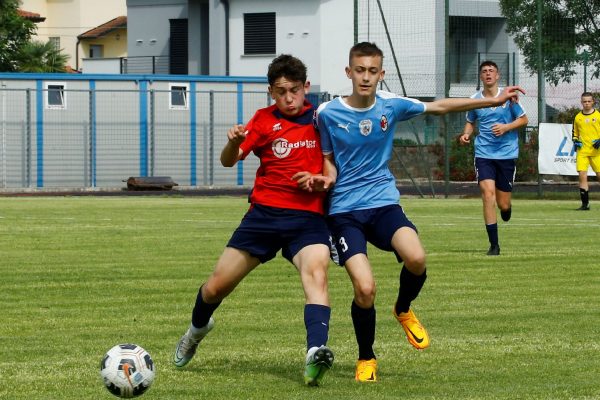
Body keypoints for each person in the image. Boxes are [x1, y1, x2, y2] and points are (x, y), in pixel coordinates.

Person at [304, 42, 525, 383]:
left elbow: (439, 105)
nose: (365, 77)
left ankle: (403, 308)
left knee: (417, 258)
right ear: (349, 73)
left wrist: (493, 100)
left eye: (372, 71)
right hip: (345, 212)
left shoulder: (391, 104)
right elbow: (328, 162)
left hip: (384, 203)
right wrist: (323, 180)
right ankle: (366, 357)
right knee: (365, 289)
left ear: (381, 74)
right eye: (359, 70)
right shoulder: (328, 113)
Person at [172, 54, 335, 387]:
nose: (288, 99)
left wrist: (320, 179)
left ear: (306, 88)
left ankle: (315, 352)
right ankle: (196, 330)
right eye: (280, 92)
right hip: (263, 216)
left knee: (317, 273)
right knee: (216, 286)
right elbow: (228, 162)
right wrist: (232, 143)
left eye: (294, 90)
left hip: (307, 219)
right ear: (271, 92)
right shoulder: (262, 120)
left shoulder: (322, 119)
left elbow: (336, 166)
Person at [458, 60, 528, 256]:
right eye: (484, 71)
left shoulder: (508, 97)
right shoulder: (475, 99)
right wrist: (466, 134)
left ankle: (506, 209)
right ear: (481, 77)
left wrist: (506, 127)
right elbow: (470, 121)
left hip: (506, 154)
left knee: (503, 204)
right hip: (484, 154)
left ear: (497, 76)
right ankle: (494, 245)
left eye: (491, 71)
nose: (488, 74)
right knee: (487, 195)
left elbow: (523, 119)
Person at [571, 92, 600, 210]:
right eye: (584, 101)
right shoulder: (578, 117)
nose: (587, 103)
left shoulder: (598, 115)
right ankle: (585, 204)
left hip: (596, 152)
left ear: (593, 102)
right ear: (581, 102)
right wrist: (575, 140)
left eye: (589, 101)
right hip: (582, 152)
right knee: (582, 175)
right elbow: (575, 133)